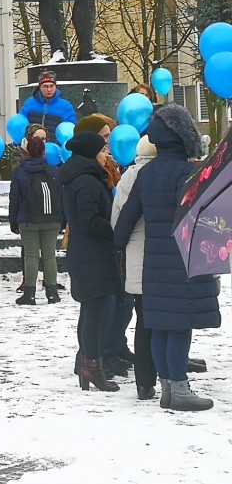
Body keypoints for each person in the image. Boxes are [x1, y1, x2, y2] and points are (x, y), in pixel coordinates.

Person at [114, 105, 219, 410]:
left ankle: (168, 389)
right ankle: (180, 390)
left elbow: (125, 220)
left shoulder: (145, 173)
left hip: (153, 262)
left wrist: (118, 249)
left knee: (159, 326)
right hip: (181, 261)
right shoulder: (187, 173)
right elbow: (197, 219)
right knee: (179, 327)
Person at [60, 131, 120, 391]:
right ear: (91, 153)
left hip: (87, 253)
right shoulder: (86, 181)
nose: (107, 154)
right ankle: (91, 367)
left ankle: (87, 365)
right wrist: (115, 228)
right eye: (102, 149)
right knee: (94, 312)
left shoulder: (81, 176)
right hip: (92, 255)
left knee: (90, 311)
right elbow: (89, 220)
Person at [110, 134, 156, 400]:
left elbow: (118, 217)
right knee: (162, 320)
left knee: (142, 319)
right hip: (161, 254)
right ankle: (165, 371)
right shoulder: (161, 174)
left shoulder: (128, 176)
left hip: (136, 255)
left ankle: (143, 382)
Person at [8, 136, 64, 305]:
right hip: (52, 218)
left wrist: (13, 221)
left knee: (31, 256)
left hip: (28, 219)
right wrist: (63, 219)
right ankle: (52, 293)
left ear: (27, 152)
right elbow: (61, 196)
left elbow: (14, 199)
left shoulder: (20, 172)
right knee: (49, 256)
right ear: (44, 152)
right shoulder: (54, 171)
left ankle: (29, 294)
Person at [18, 71, 77, 139]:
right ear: (40, 87)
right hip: (33, 144)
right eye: (45, 86)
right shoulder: (29, 103)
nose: (49, 89)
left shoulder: (65, 106)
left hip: (55, 144)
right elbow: (21, 124)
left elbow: (72, 128)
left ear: (55, 87)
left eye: (51, 86)